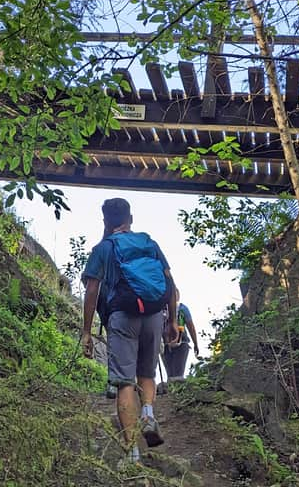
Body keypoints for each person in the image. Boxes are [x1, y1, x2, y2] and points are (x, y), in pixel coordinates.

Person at [80, 198, 178, 464]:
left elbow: (92, 290)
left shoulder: (104, 248)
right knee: (146, 373)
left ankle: (132, 452)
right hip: (154, 314)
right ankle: (147, 412)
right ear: (130, 219)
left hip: (122, 316)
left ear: (105, 221)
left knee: (124, 382)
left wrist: (87, 331)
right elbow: (170, 283)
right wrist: (172, 321)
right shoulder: (149, 243)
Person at [162, 292, 199, 382]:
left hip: (177, 343)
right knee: (172, 375)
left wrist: (195, 343)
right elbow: (191, 327)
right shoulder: (162, 309)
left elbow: (191, 327)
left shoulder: (181, 309)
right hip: (168, 345)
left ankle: (176, 391)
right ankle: (174, 392)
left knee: (175, 374)